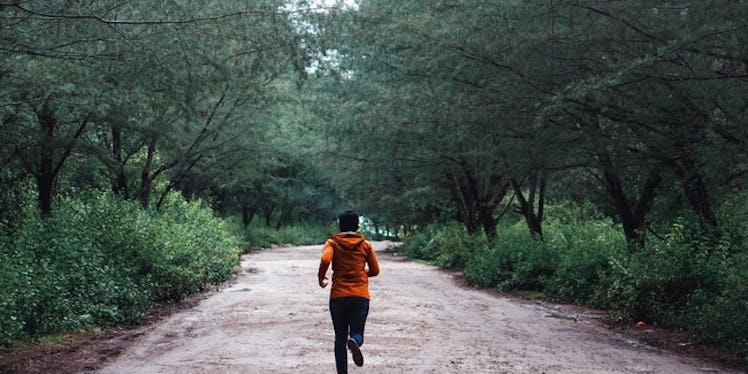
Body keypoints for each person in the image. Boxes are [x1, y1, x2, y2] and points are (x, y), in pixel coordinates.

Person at [318, 211, 380, 373]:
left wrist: (321, 277)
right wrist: (359, 273)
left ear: (340, 226)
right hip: (360, 295)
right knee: (357, 333)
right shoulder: (365, 245)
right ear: (357, 226)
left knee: (339, 337)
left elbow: (325, 259)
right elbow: (375, 270)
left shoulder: (332, 243)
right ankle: (355, 341)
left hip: (338, 296)